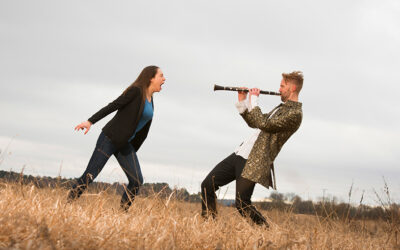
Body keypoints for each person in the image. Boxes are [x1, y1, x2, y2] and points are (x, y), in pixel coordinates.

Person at [201, 71, 303, 226]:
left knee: (242, 204)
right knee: (207, 185)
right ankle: (209, 225)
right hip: (240, 153)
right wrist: (243, 102)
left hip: (254, 161)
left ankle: (267, 231)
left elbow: (265, 124)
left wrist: (254, 99)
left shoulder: (295, 114)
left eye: (282, 86)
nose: (280, 89)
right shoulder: (281, 108)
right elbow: (255, 122)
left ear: (293, 88)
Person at [67, 65, 166, 210]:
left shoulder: (151, 99)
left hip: (124, 144)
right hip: (110, 138)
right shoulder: (136, 91)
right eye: (161, 76)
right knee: (90, 175)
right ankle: (68, 203)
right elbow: (113, 105)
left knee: (137, 180)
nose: (164, 79)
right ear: (151, 78)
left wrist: (133, 148)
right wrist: (90, 121)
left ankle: (122, 212)